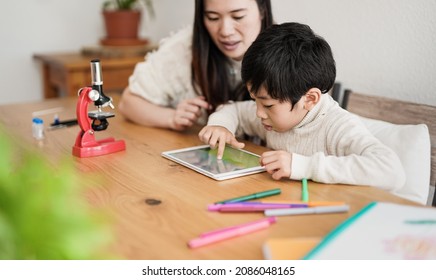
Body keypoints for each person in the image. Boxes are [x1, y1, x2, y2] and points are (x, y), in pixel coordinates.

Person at [198, 22, 406, 191]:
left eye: (268, 104)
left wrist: (303, 166)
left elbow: (391, 171)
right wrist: (221, 126)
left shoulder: (337, 126)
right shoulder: (270, 117)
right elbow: (233, 110)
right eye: (255, 100)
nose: (259, 112)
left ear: (310, 99)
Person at [118, 0, 274, 131]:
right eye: (213, 18)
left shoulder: (286, 50)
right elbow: (128, 103)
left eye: (238, 16)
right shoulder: (183, 49)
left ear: (262, 10)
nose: (225, 31)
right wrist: (171, 117)